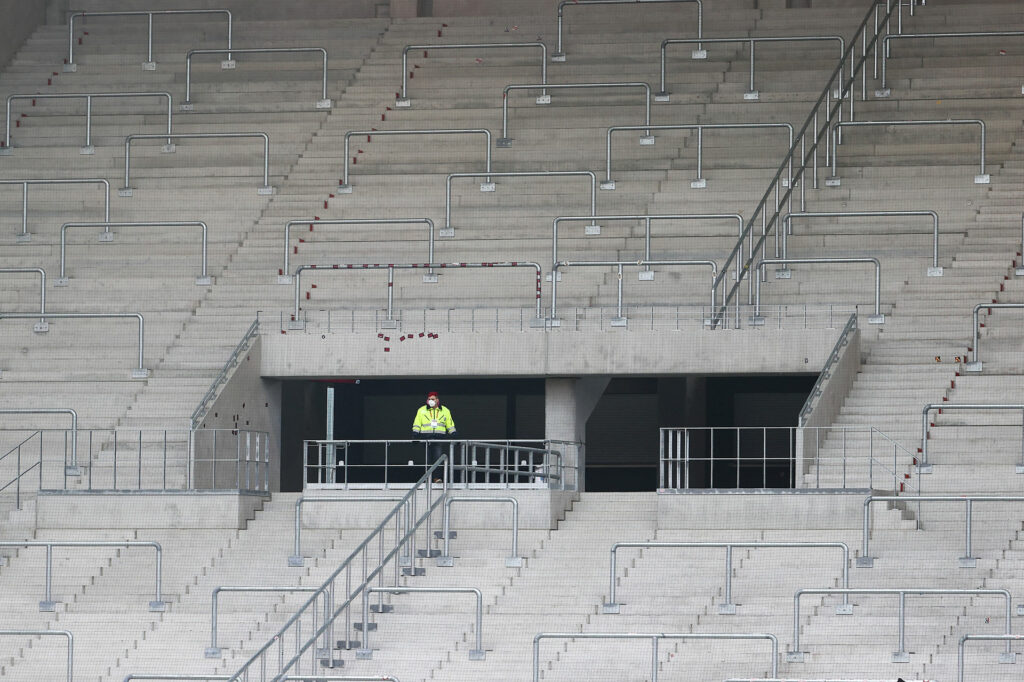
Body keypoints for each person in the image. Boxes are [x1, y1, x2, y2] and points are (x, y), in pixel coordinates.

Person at [411, 391, 457, 474]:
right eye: (429, 399)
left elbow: (449, 424)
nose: (430, 401)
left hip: (438, 439)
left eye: (432, 399)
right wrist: (415, 434)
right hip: (426, 439)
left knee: (438, 459)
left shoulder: (445, 410)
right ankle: (427, 478)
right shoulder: (421, 410)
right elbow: (417, 423)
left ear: (437, 400)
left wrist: (453, 433)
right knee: (426, 460)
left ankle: (437, 477)